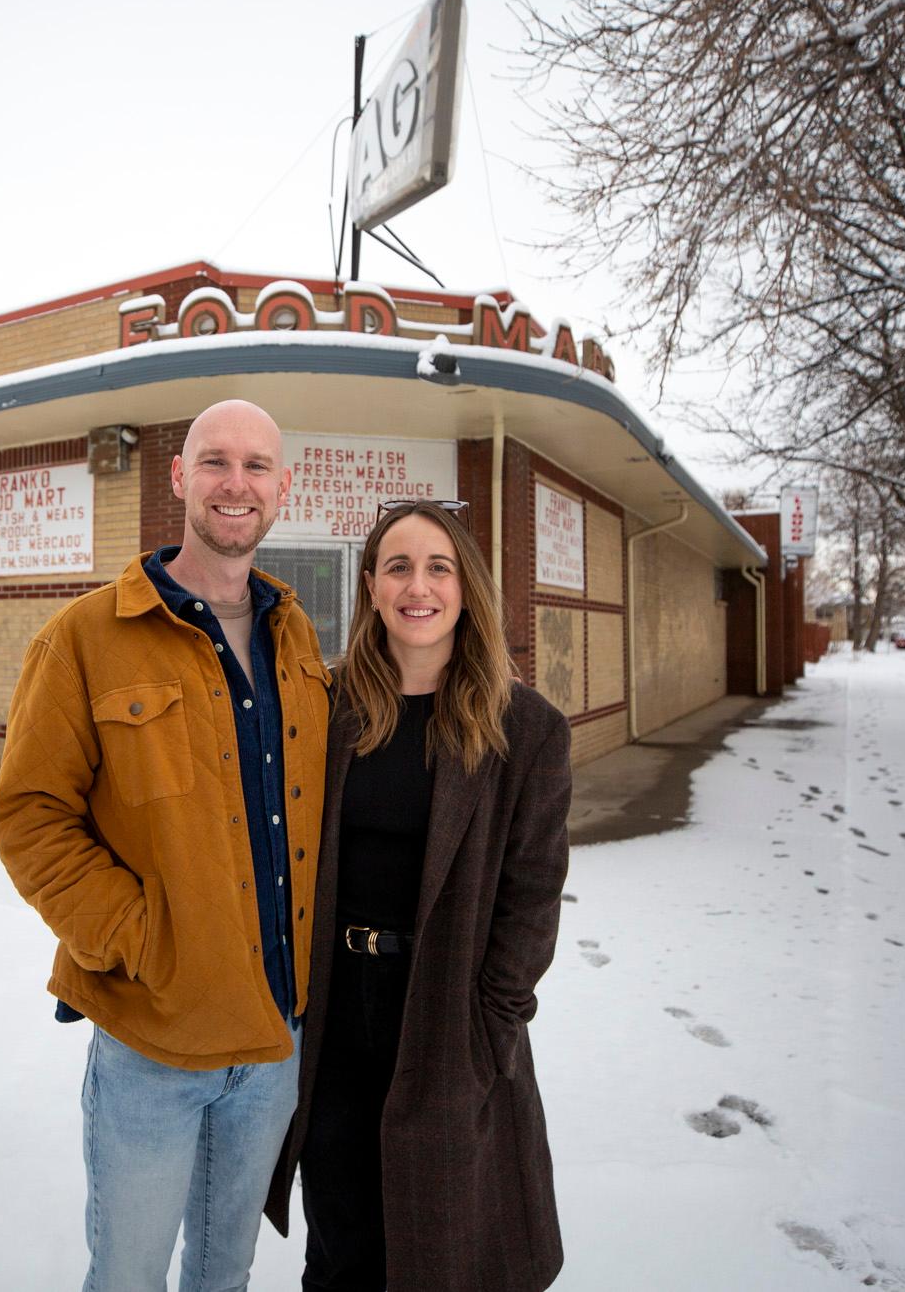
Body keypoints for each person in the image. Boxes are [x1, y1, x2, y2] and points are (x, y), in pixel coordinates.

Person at [0, 399, 333, 1292]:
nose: (236, 483)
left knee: (224, 1273)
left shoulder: (299, 641)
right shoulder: (85, 638)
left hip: (273, 1043)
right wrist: (139, 937)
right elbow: (28, 814)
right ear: (180, 478)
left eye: (258, 466)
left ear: (282, 489)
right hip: (152, 1044)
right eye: (215, 461)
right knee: (131, 1276)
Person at [265, 498, 571, 1292]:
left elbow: (532, 897)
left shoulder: (525, 728)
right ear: (370, 584)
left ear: (466, 587)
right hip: (335, 1010)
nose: (418, 585)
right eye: (398, 565)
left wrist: (490, 1023)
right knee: (342, 1235)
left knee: (442, 1243)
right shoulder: (328, 710)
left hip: (444, 1010)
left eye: (439, 566)